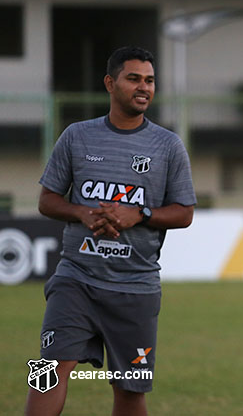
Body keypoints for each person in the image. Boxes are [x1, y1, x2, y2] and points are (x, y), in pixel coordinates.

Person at [26, 46, 196, 416]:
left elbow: (184, 213)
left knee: (130, 389)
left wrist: (141, 214)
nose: (144, 87)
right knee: (49, 371)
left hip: (135, 288)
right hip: (76, 278)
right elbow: (47, 201)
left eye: (149, 80)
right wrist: (82, 213)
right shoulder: (77, 136)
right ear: (110, 83)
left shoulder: (168, 145)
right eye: (133, 78)